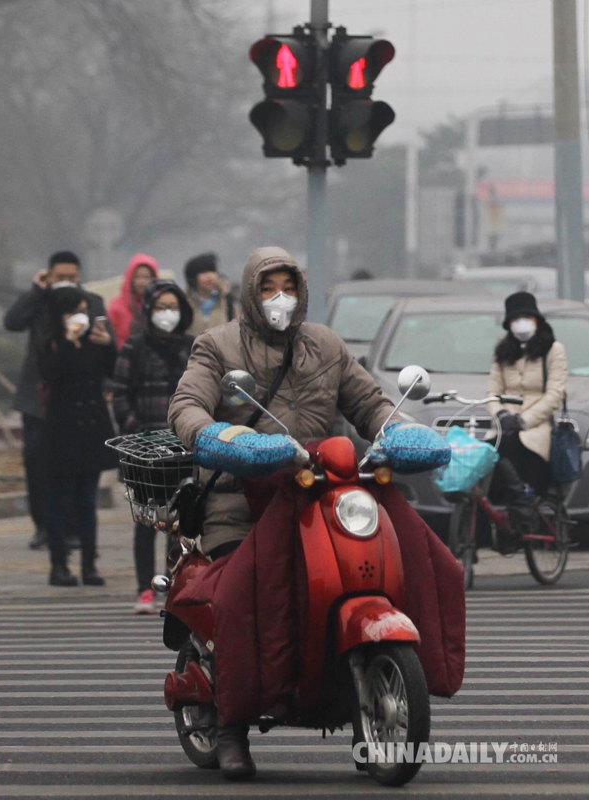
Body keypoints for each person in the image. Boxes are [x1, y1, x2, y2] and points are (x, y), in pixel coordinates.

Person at [168, 246, 404, 777]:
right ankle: (230, 724)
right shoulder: (216, 345)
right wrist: (223, 437)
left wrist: (399, 429)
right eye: (269, 287)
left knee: (387, 560)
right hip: (239, 499)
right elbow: (186, 406)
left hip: (318, 493)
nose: (280, 298)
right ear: (252, 292)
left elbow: (369, 402)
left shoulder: (326, 344)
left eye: (289, 287)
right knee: (239, 597)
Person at [4, 251, 109, 550]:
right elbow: (12, 322)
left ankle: (74, 528)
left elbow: (106, 340)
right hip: (37, 398)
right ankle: (44, 527)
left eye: (71, 278)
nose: (65, 283)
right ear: (48, 275)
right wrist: (37, 290)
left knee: (78, 464)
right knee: (36, 462)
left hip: (77, 398)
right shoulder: (39, 302)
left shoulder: (91, 302)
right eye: (59, 278)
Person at [113, 279, 193, 613]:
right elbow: (119, 393)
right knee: (146, 522)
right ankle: (145, 589)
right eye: (160, 307)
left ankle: (175, 586)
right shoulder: (135, 348)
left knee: (183, 523)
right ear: (148, 311)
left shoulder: (193, 347)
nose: (167, 314)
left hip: (184, 447)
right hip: (144, 449)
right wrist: (135, 429)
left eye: (172, 307)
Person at [36, 286, 117, 586]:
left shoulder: (94, 340)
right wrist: (69, 342)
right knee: (59, 501)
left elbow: (113, 370)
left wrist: (108, 345)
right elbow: (50, 374)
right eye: (71, 312)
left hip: (91, 430)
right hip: (62, 432)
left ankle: (89, 564)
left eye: (82, 310)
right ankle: (58, 565)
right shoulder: (52, 342)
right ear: (59, 315)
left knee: (87, 501)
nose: (78, 318)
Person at [486, 291, 567, 543]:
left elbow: (555, 394)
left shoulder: (553, 350)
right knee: (486, 452)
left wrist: (524, 420)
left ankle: (521, 507)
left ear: (536, 319)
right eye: (516, 318)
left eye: (526, 317)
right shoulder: (502, 352)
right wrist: (500, 413)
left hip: (536, 427)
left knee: (516, 444)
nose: (521, 322)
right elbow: (492, 392)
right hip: (504, 423)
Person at [107, 254, 159, 350]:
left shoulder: (159, 305)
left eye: (147, 277)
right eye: (137, 277)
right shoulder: (116, 308)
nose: (142, 282)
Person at [183, 252, 238, 337]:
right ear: (193, 277)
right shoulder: (184, 303)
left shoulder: (228, 302)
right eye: (204, 272)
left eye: (212, 271)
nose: (209, 276)